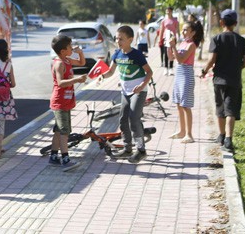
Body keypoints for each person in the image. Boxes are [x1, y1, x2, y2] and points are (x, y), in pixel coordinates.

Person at [96, 25, 154, 163]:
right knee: (123, 120)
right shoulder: (117, 54)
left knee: (134, 118)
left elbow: (149, 72)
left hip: (138, 92)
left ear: (130, 40)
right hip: (125, 92)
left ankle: (141, 150)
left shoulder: (137, 54)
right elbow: (110, 71)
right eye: (117, 38)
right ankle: (127, 149)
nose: (118, 41)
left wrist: (142, 85)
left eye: (121, 39)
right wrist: (102, 76)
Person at [200, 9, 245, 153]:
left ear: (221, 22)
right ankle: (228, 139)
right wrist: (237, 68)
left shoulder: (216, 39)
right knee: (231, 110)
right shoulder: (241, 40)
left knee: (220, 108)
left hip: (219, 80)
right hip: (234, 80)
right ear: (235, 23)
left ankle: (221, 135)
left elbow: (211, 60)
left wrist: (204, 71)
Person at [49, 34, 87, 171]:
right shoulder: (59, 63)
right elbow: (60, 82)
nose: (72, 48)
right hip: (60, 102)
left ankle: (53, 157)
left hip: (66, 101)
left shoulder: (67, 60)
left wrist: (80, 52)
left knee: (59, 131)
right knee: (65, 132)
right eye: (70, 46)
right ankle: (65, 159)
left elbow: (82, 63)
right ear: (63, 50)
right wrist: (77, 80)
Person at [168, 20, 203, 143]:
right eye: (182, 30)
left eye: (186, 30)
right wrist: (170, 46)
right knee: (178, 104)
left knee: (185, 105)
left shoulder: (192, 45)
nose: (183, 32)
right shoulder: (183, 43)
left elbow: (182, 60)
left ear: (193, 33)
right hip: (178, 74)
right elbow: (172, 58)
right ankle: (182, 131)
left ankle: (189, 134)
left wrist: (173, 47)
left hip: (187, 74)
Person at [154, 7, 179, 75]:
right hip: (166, 37)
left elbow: (177, 30)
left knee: (172, 53)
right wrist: (160, 39)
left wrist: (178, 38)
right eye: (167, 11)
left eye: (169, 11)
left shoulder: (175, 20)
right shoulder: (164, 21)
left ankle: (171, 68)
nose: (168, 12)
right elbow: (161, 30)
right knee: (166, 53)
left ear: (171, 11)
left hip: (173, 37)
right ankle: (166, 68)